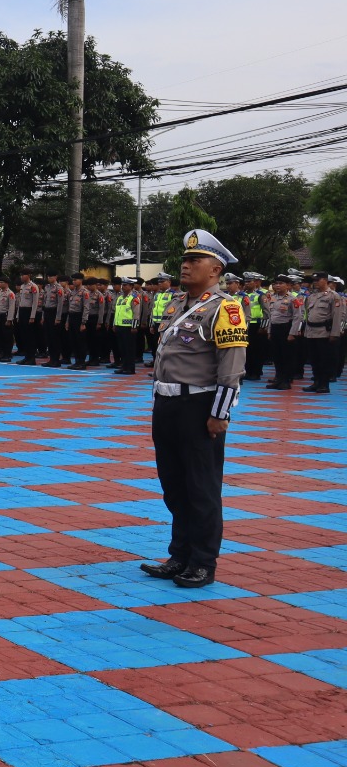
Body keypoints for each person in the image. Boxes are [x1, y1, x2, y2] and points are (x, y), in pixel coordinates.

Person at [140, 230, 246, 589]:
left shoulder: (226, 308)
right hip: (167, 404)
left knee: (201, 488)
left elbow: (231, 368)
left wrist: (219, 414)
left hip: (199, 406)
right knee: (174, 485)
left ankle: (202, 562)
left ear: (215, 269)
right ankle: (180, 555)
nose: (185, 266)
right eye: (185, 260)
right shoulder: (177, 304)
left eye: (195, 260)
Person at [297, 272, 344, 392]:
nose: (315, 282)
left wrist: (335, 333)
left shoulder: (333, 296)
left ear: (325, 280)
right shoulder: (311, 296)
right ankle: (316, 382)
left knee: (324, 360)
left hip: (324, 332)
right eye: (314, 280)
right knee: (314, 359)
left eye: (318, 280)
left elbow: (337, 316)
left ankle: (324, 384)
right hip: (311, 331)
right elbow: (308, 314)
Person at [111, 277, 142, 375]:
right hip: (119, 325)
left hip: (128, 327)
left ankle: (130, 368)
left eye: (125, 285)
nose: (123, 287)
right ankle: (124, 366)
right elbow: (117, 312)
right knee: (122, 348)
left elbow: (136, 313)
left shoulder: (134, 297)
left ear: (131, 286)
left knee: (129, 349)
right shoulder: (120, 297)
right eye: (122, 285)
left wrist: (134, 326)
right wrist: (114, 324)